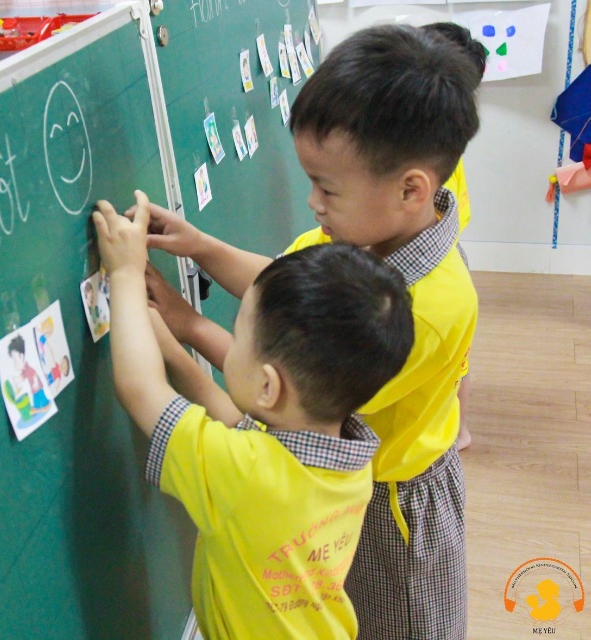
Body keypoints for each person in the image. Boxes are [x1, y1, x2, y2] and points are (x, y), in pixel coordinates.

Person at [135, 24, 480, 639]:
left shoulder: (426, 309)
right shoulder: (364, 235)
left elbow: (291, 388)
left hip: (390, 510)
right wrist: (201, 246)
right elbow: (280, 286)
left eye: (327, 187)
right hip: (334, 486)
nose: (314, 204)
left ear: (411, 190)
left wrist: (190, 325)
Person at [93, 190, 415, 639]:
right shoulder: (350, 458)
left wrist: (125, 274)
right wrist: (180, 341)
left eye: (238, 334)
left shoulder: (246, 475)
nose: (232, 340)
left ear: (268, 387)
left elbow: (140, 388)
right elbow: (239, 428)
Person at [421, 22, 487, 452]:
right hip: (446, 245)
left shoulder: (432, 146)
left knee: (455, 359)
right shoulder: (443, 135)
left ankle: (460, 429)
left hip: (441, 251)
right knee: (454, 358)